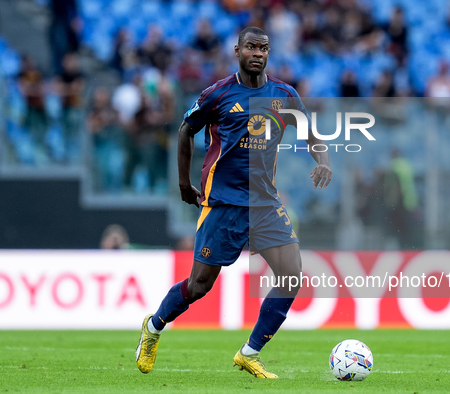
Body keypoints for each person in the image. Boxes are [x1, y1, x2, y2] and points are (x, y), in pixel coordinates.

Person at [135, 26, 332, 379]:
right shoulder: (219, 94)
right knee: (199, 286)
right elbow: (185, 129)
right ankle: (154, 326)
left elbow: (309, 132)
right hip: (223, 203)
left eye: (264, 48)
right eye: (251, 47)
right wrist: (184, 183)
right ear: (237, 51)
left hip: (264, 204)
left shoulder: (284, 94)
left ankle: (249, 352)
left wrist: (323, 160)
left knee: (291, 276)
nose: (258, 53)